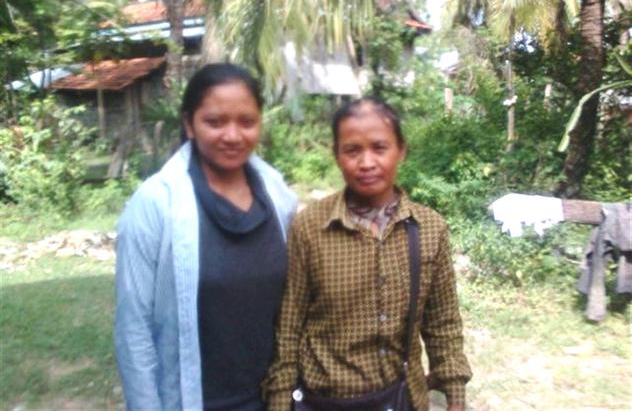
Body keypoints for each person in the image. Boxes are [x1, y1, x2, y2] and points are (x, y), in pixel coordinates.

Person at [262, 97, 472, 411]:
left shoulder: (429, 229)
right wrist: (279, 403)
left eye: (379, 148)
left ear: (401, 150)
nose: (367, 162)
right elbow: (288, 327)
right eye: (352, 150)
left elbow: (443, 323)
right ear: (336, 155)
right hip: (325, 401)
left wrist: (455, 397)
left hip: (401, 399)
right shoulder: (310, 228)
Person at [115, 63, 298, 411]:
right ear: (189, 124)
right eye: (215, 122)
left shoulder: (279, 197)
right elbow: (133, 329)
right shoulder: (155, 204)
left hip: (273, 399)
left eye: (246, 122)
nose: (232, 135)